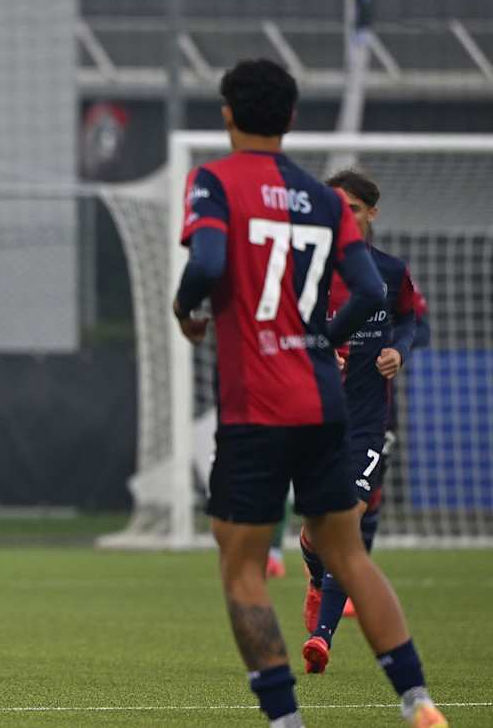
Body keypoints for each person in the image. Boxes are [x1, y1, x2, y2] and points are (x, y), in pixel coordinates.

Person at [171, 59, 445, 727]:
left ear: (228, 114)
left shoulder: (213, 181)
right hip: (324, 400)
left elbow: (206, 263)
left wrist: (188, 312)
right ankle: (418, 701)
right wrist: (323, 336)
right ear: (292, 119)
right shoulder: (324, 200)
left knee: (240, 564)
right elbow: (374, 291)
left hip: (255, 407)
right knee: (348, 555)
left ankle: (285, 720)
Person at [298, 169, 418, 675]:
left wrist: (397, 349)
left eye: (350, 208)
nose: (341, 216)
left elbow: (412, 319)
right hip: (314, 416)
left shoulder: (390, 272)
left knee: (344, 523)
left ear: (371, 212)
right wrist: (318, 356)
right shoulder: (308, 270)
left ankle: (321, 640)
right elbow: (285, 331)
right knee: (317, 532)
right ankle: (312, 566)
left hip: (367, 422)